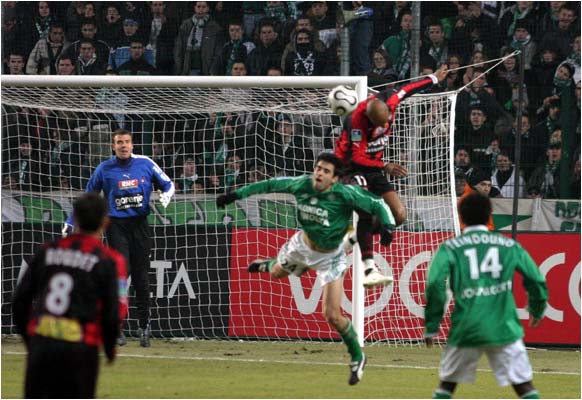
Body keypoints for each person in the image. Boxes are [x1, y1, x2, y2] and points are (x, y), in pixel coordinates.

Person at [216, 152, 395, 386]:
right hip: (302, 246)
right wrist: (234, 195)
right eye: (318, 168)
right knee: (276, 273)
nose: (319, 173)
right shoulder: (301, 184)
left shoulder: (345, 193)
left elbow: (378, 203)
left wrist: (389, 226)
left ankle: (358, 357)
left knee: (331, 315)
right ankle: (268, 263)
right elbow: (269, 184)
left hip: (330, 257)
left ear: (334, 179)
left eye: (326, 171)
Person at [424, 192, 548, 399]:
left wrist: (431, 325)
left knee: (446, 386)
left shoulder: (451, 247)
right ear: (489, 215)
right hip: (504, 327)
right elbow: (536, 279)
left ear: (461, 217)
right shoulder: (509, 245)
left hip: (466, 327)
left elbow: (435, 284)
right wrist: (537, 308)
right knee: (524, 386)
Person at [334, 64, 448, 287]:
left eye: (387, 121)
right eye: (380, 125)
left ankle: (359, 235)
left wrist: (434, 78)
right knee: (367, 212)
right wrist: (386, 165)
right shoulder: (355, 123)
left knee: (400, 215)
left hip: (375, 169)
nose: (385, 127)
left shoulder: (391, 102)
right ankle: (369, 264)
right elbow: (356, 158)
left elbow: (409, 88)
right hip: (353, 171)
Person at [62, 129, 175, 348]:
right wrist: (70, 220)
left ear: (132, 145)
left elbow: (168, 184)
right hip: (115, 227)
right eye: (119, 142)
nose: (123, 145)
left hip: (140, 225)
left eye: (126, 142)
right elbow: (89, 197)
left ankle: (145, 326)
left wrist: (167, 195)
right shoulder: (104, 169)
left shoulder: (146, 163)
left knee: (142, 278)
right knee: (120, 276)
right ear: (113, 146)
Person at [12, 192, 129, 398]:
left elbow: (20, 300)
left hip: (43, 344)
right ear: (105, 221)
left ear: (74, 217)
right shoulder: (111, 260)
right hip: (81, 349)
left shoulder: (48, 250)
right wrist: (110, 348)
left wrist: (30, 338)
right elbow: (114, 310)